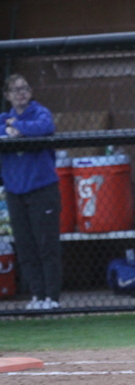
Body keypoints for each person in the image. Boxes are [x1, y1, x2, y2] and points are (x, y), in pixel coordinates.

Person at [1, 74, 62, 310]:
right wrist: (11, 127)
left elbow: (44, 127)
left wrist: (17, 127)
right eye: (15, 90)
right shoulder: (3, 118)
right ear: (7, 96)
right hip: (15, 191)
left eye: (25, 88)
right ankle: (37, 296)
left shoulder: (39, 112)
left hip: (42, 189)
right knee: (25, 246)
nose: (21, 93)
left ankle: (52, 298)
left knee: (46, 245)